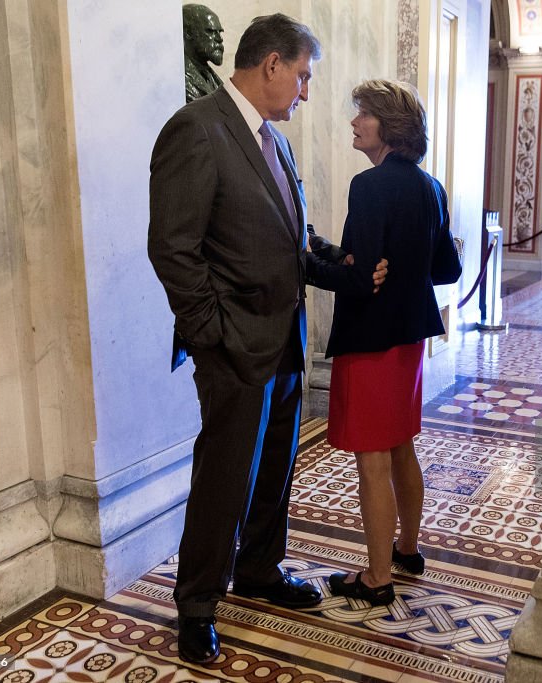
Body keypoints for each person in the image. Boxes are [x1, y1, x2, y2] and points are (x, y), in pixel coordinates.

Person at [148, 14, 387, 664]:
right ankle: (196, 605)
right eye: (303, 75)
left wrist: (347, 268)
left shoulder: (274, 143)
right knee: (224, 477)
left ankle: (258, 569)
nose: (306, 91)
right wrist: (211, 337)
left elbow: (292, 241)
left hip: (284, 340)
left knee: (275, 470)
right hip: (233, 348)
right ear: (273, 65)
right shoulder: (196, 130)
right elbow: (173, 248)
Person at [323, 80, 463, 606]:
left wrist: (323, 263)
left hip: (371, 337)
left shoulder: (370, 185)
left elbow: (363, 278)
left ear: (389, 125)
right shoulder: (432, 187)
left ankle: (377, 578)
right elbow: (446, 270)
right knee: (401, 443)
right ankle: (407, 548)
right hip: (410, 338)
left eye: (362, 115)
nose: (355, 123)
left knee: (373, 459)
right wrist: (355, 259)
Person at [182, 4, 224, 102]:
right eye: (210, 32)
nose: (219, 39)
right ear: (188, 33)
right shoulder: (178, 79)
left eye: (220, 32)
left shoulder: (211, 77)